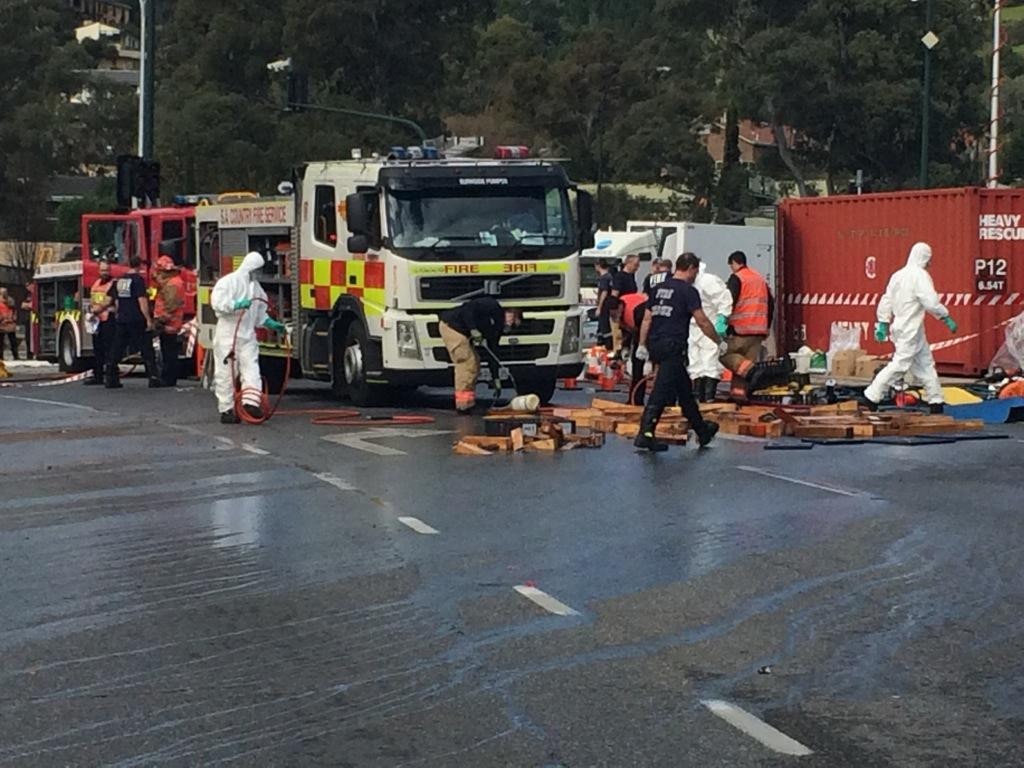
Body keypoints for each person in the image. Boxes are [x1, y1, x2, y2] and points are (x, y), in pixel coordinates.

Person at [634, 253, 723, 451]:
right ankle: (645, 433)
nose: (695, 275)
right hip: (673, 346)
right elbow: (702, 320)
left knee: (684, 392)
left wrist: (642, 344)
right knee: (660, 392)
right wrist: (718, 341)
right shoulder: (688, 291)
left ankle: (702, 430)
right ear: (690, 268)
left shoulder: (657, 289)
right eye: (696, 271)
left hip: (655, 343)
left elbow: (647, 319)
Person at [863, 242, 956, 413]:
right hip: (910, 329)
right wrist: (945, 316)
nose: (930, 263)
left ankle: (936, 401)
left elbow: (887, 299)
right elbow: (931, 302)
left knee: (926, 364)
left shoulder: (897, 275)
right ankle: (871, 396)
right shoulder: (920, 276)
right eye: (929, 259)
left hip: (905, 327)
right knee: (900, 364)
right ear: (925, 257)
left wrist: (883, 322)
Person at [211, 251, 285, 423]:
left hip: (247, 336)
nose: (257, 273)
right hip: (228, 335)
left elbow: (260, 313)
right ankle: (227, 409)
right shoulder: (228, 282)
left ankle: (251, 402)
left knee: (252, 370)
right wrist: (235, 305)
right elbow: (217, 303)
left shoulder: (256, 288)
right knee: (226, 374)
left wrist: (270, 323)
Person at [438, 297, 511, 414]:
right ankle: (463, 405)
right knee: (467, 363)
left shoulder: (496, 329)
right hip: (452, 327)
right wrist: (473, 329)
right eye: (513, 317)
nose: (511, 322)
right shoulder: (492, 305)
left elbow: (492, 355)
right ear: (508, 311)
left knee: (475, 363)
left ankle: (469, 403)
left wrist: (496, 378)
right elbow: (467, 308)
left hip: (461, 331)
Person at [719, 250, 773, 398]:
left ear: (734, 263)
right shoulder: (759, 278)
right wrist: (767, 326)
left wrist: (722, 323)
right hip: (758, 330)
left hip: (740, 329)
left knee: (723, 355)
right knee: (742, 368)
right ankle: (739, 394)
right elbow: (771, 303)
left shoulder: (737, 278)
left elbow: (729, 301)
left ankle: (754, 372)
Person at [105, 255, 158, 389]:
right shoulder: (138, 280)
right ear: (140, 265)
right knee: (146, 349)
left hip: (122, 319)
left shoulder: (120, 280)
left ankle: (111, 378)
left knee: (117, 348)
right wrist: (148, 319)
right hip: (136, 319)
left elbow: (116, 301)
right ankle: (153, 378)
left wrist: (118, 314)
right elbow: (142, 301)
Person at [689, 261, 733, 402]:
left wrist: (722, 319)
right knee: (696, 362)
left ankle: (708, 397)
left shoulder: (708, 281)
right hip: (694, 327)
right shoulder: (690, 282)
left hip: (709, 326)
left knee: (710, 361)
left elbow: (724, 299)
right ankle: (698, 396)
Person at [153, 255, 186, 387]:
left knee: (169, 352)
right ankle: (168, 378)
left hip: (169, 323)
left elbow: (172, 305)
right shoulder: (171, 282)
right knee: (168, 351)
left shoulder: (173, 284)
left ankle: (168, 379)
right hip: (169, 322)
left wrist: (160, 320)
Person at [84, 260, 116, 385]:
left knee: (109, 349)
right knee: (98, 350)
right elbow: (93, 299)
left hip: (109, 320)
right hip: (97, 321)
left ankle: (110, 376)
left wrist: (97, 309)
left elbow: (109, 301)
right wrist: (92, 311)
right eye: (102, 270)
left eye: (107, 270)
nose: (105, 273)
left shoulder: (113, 284)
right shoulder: (96, 284)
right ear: (99, 271)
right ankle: (98, 376)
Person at [609, 253, 640, 358]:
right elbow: (614, 294)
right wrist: (615, 312)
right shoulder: (620, 277)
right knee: (620, 337)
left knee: (629, 336)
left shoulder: (631, 277)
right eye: (636, 265)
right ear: (628, 263)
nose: (637, 268)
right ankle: (618, 355)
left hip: (630, 311)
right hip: (620, 310)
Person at [595, 259, 614, 350]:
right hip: (607, 305)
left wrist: (599, 307)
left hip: (604, 306)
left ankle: (607, 345)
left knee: (604, 326)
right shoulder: (609, 276)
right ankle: (604, 344)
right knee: (602, 326)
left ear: (598, 266)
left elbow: (604, 292)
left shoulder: (604, 278)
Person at [0, 289, 17, 361]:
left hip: (10, 323)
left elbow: (14, 311)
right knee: (0, 342)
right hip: (2, 323)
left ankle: (15, 355)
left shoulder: (11, 301)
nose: (4, 294)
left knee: (13, 341)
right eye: (2, 292)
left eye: (5, 292)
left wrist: (13, 318)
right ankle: (1, 356)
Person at [19, 283, 33, 359]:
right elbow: (22, 305)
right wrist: (29, 305)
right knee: (28, 337)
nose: (27, 287)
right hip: (28, 319)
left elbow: (34, 305)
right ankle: (29, 354)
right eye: (26, 286)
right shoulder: (26, 294)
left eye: (29, 285)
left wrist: (29, 305)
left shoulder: (36, 293)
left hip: (35, 320)